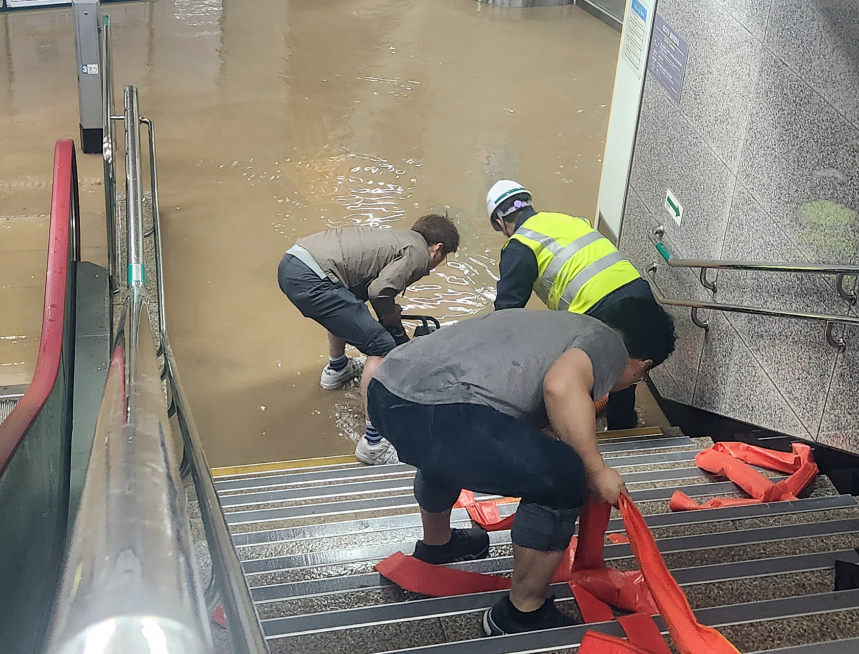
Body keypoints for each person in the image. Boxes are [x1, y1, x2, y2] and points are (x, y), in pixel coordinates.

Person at [367, 302, 675, 635]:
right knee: (565, 476)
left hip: (388, 392)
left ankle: (437, 544)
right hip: (444, 414)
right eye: (640, 376)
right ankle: (521, 613)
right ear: (643, 365)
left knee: (447, 453)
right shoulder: (608, 343)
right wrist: (597, 472)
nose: (633, 382)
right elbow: (560, 386)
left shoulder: (557, 325)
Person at [278, 216, 460, 465]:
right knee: (382, 348)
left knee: (347, 304)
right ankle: (373, 444)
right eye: (443, 258)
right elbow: (379, 291)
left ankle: (338, 369)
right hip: (313, 278)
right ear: (437, 248)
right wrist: (390, 313)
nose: (436, 266)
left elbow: (363, 291)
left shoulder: (397, 239)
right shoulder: (418, 253)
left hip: (293, 264)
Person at [486, 180, 662, 431]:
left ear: (499, 223)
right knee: (626, 366)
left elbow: (507, 312)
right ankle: (623, 429)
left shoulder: (520, 244)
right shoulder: (568, 220)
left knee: (570, 378)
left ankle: (568, 437)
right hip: (638, 291)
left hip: (598, 309)